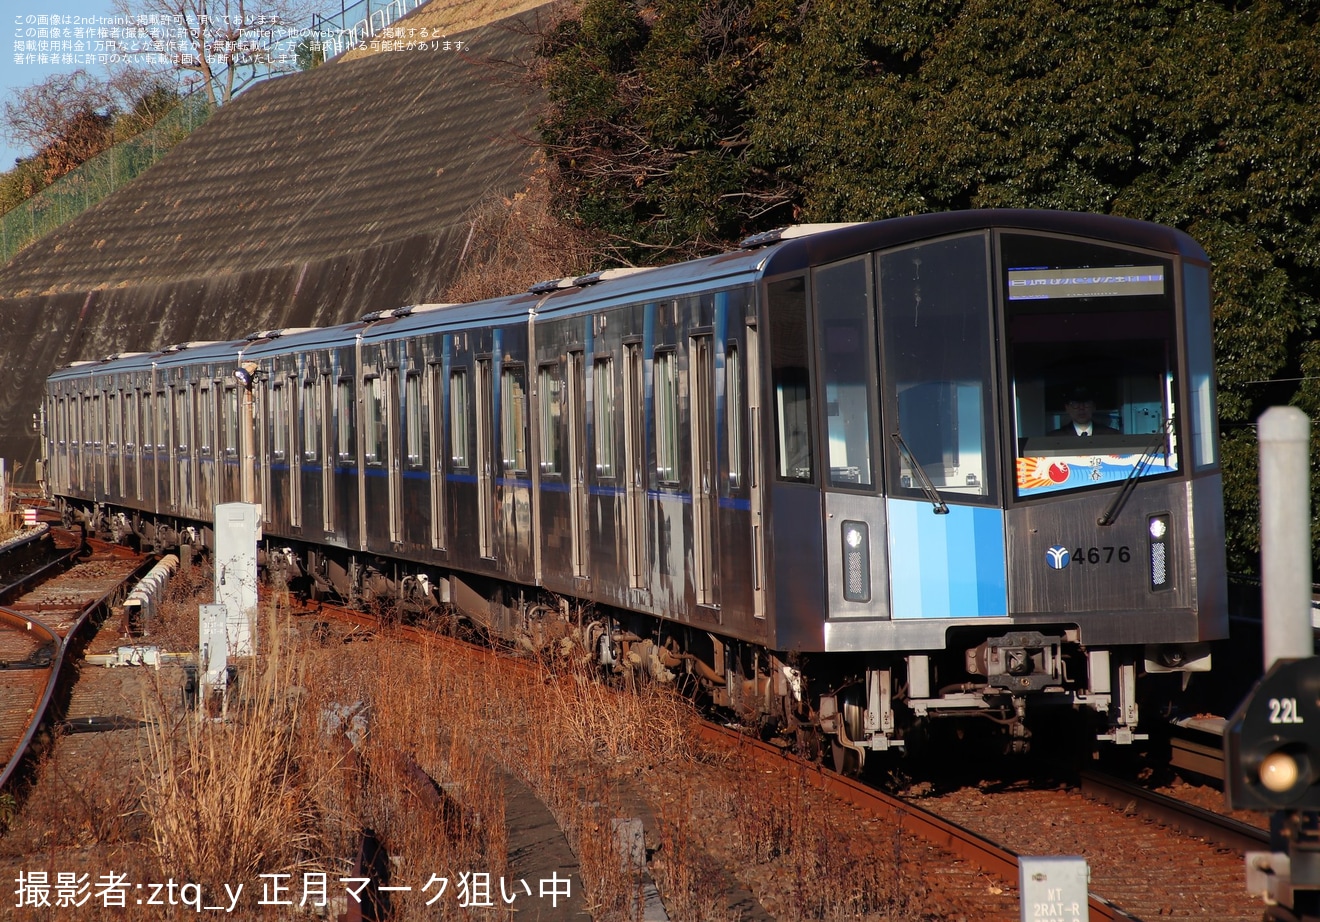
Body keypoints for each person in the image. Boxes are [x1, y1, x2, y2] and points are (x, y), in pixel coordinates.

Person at [1049, 387, 1119, 437]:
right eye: (1075, 404)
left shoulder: (1112, 435)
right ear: (1067, 408)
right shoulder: (1055, 437)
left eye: (1086, 403)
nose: (1081, 408)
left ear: (1094, 406)